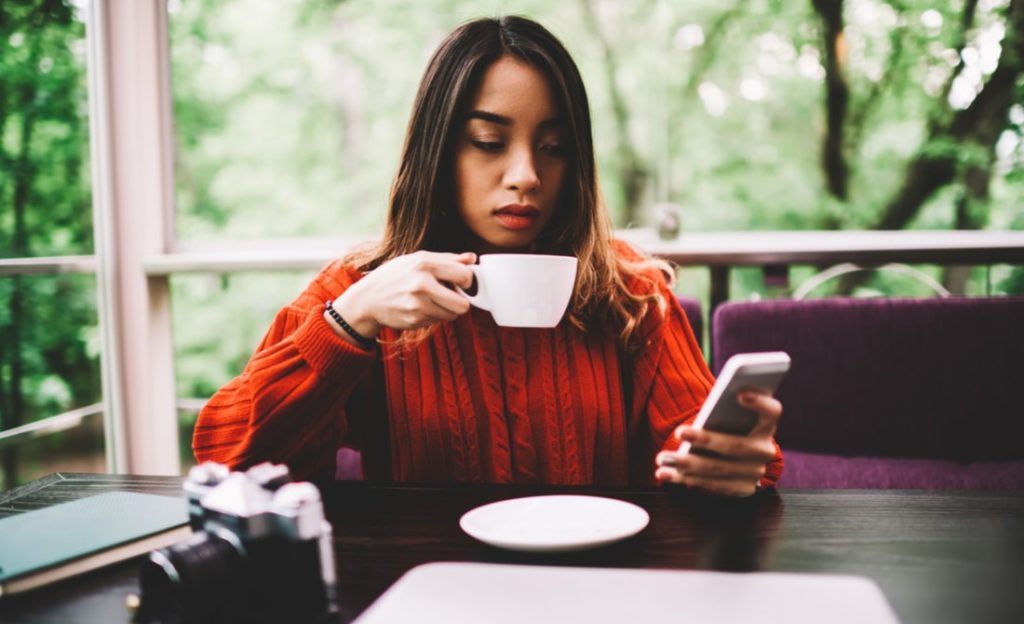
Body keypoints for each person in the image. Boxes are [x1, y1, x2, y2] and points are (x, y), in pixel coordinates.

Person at [193, 16, 783, 497]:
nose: (526, 176)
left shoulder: (629, 290)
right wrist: (350, 322)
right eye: (489, 143)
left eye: (553, 148)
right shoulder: (363, 290)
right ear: (438, 151)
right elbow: (228, 459)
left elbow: (698, 455)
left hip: (600, 593)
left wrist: (733, 468)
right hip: (430, 597)